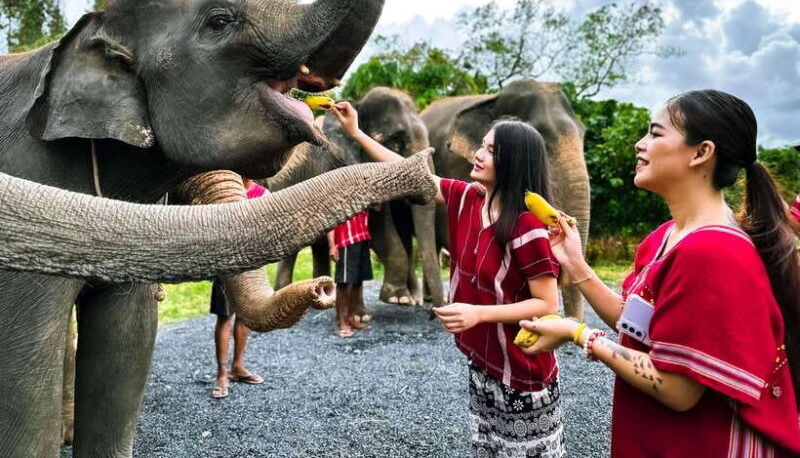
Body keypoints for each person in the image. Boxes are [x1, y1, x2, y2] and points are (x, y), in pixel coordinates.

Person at [519, 90, 800, 457]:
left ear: (701, 153)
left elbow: (678, 389)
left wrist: (578, 332)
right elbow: (639, 325)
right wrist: (576, 263)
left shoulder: (713, 253)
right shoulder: (665, 237)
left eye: (654, 133)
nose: (640, 144)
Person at [332, 101, 565, 457]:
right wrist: (356, 132)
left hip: (522, 373)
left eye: (491, 150)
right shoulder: (469, 198)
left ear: (514, 163)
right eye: (481, 145)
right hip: (482, 363)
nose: (478, 154)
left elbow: (546, 304)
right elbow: (410, 173)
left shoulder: (528, 227)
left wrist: (477, 314)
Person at [209, 177, 266, 399]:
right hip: (225, 264)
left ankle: (238, 366)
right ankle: (222, 373)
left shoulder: (262, 194)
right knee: (225, 317)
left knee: (244, 316)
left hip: (250, 266)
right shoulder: (220, 190)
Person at [327, 210, 374, 338]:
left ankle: (352, 317)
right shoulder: (338, 196)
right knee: (344, 281)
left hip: (363, 237)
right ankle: (342, 322)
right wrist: (332, 245)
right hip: (346, 240)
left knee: (358, 280)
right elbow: (331, 220)